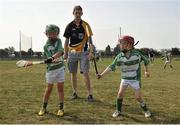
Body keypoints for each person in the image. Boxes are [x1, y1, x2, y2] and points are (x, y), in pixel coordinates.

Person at [97, 35, 152, 118]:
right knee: (120, 94)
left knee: (138, 97)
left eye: (123, 43)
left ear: (130, 45)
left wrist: (146, 71)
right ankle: (118, 110)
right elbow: (111, 66)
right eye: (120, 43)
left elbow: (146, 61)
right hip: (125, 79)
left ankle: (146, 110)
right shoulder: (119, 57)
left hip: (135, 79)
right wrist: (101, 75)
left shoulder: (137, 54)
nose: (121, 45)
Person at [63, 5, 94, 102]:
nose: (78, 14)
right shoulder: (69, 26)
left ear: (82, 13)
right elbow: (66, 41)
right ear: (73, 13)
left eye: (79, 13)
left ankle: (89, 94)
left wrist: (91, 52)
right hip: (72, 53)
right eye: (76, 13)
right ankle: (75, 93)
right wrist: (66, 53)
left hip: (84, 53)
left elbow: (90, 40)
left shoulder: (86, 25)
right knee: (73, 73)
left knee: (85, 73)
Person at [38, 24, 65, 117]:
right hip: (51, 70)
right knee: (49, 89)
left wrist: (53, 57)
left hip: (60, 68)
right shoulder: (46, 46)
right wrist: (51, 61)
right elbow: (49, 61)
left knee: (60, 88)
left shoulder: (59, 41)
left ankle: (61, 108)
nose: (53, 35)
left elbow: (61, 51)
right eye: (51, 33)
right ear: (47, 34)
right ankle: (43, 107)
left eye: (55, 33)